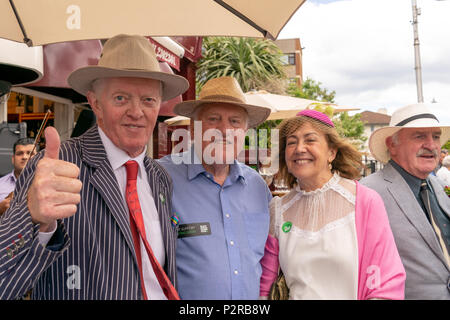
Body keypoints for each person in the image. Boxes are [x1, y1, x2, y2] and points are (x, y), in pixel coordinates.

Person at [0, 34, 189, 299]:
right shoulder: (56, 165)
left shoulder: (160, 178)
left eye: (148, 100)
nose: (137, 111)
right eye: (121, 98)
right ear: (95, 103)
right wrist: (30, 218)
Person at [259, 109, 406, 300]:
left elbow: (386, 283)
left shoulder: (364, 201)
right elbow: (265, 286)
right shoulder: (278, 211)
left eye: (310, 140)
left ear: (331, 152)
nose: (299, 148)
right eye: (292, 142)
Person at [158, 76, 272, 299]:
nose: (224, 130)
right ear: (193, 128)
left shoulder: (257, 185)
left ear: (245, 131)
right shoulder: (161, 177)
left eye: (235, 122)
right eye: (213, 119)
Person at [360, 103, 450, 299]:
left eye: (435, 136)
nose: (431, 145)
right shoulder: (367, 192)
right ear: (392, 145)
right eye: (419, 136)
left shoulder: (437, 186)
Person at [0, 138, 37, 215]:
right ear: (13, 159)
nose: (25, 157)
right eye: (20, 153)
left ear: (38, 158)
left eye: (30, 153)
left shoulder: (48, 183)